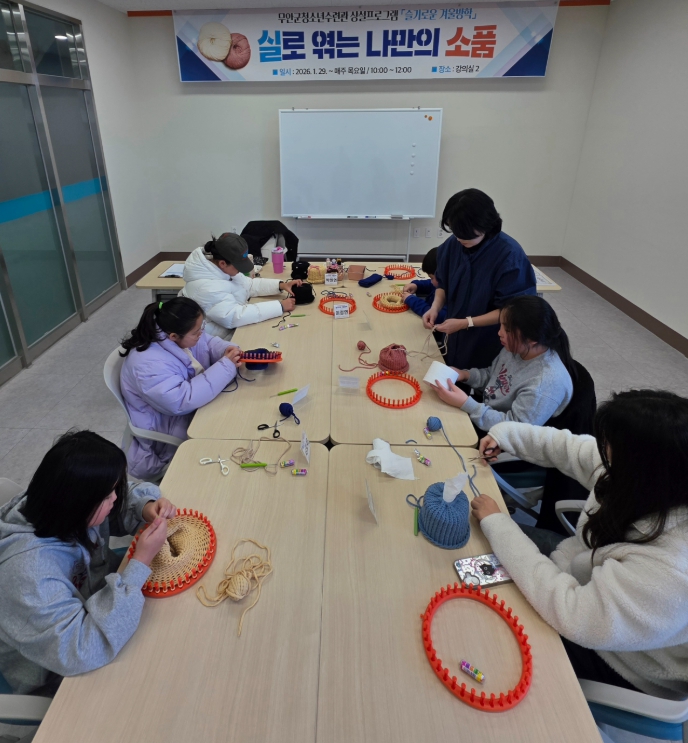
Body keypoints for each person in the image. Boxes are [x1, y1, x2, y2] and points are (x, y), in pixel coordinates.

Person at [471, 390, 688, 700]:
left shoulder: (671, 570)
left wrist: (499, 525)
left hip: (616, 658)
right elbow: (569, 447)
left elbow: (574, 615)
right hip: (579, 569)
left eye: (610, 450)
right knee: (477, 550)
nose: (603, 455)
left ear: (640, 469)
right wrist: (505, 435)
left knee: (488, 637)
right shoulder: (648, 477)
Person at [0, 431, 175, 695]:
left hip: (98, 605)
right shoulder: (29, 575)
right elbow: (80, 650)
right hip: (56, 672)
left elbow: (119, 500)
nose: (115, 498)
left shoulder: (60, 503)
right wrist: (140, 560)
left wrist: (144, 507)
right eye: (107, 495)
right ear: (79, 505)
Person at [120, 297, 241, 480]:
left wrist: (227, 350)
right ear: (173, 336)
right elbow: (182, 400)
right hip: (162, 438)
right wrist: (226, 366)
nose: (201, 333)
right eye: (196, 332)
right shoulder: (147, 364)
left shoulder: (175, 332)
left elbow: (206, 343)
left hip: (183, 414)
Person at [423, 189, 536, 370]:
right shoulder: (453, 244)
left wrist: (466, 323)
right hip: (455, 335)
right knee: (454, 372)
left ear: (486, 226)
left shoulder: (509, 256)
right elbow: (443, 283)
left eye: (465, 234)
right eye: (455, 232)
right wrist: (435, 308)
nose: (459, 239)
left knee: (480, 377)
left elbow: (513, 310)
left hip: (487, 340)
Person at [430, 295, 574, 432]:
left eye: (507, 329)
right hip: (485, 413)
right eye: (501, 325)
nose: (500, 333)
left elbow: (515, 429)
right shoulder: (517, 348)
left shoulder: (545, 384)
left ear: (532, 339)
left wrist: (466, 404)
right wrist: (465, 375)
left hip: (500, 436)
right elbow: (493, 377)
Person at [181, 233, 302, 338]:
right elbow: (234, 316)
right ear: (223, 263)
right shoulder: (206, 288)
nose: (240, 271)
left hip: (233, 330)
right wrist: (279, 306)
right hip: (219, 340)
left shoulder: (224, 269)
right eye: (238, 267)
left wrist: (281, 285)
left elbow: (249, 285)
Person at [401, 247, 447, 323]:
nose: (431, 281)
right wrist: (416, 285)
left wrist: (411, 300)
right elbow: (431, 285)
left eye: (432, 278)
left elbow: (437, 317)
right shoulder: (443, 283)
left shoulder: (455, 296)